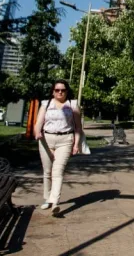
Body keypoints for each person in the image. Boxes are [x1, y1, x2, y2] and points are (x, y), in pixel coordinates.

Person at [34, 79, 81, 216]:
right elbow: (39, 122)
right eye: (57, 90)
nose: (60, 92)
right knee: (47, 171)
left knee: (58, 171)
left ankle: (55, 201)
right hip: (46, 139)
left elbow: (78, 127)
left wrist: (76, 144)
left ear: (67, 91)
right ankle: (47, 199)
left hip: (65, 140)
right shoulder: (46, 103)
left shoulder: (72, 105)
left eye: (63, 90)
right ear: (53, 91)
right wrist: (37, 133)